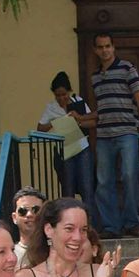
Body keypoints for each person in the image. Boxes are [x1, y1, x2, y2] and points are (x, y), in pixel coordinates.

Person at [90, 33, 139, 237]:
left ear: (114, 47)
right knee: (104, 182)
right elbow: (101, 108)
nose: (104, 50)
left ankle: (131, 222)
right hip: (103, 135)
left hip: (127, 131)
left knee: (129, 176)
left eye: (108, 46)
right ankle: (111, 226)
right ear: (95, 50)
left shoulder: (127, 68)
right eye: (100, 47)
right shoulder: (95, 77)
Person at [36, 71, 95, 203]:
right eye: (58, 95)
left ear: (69, 92)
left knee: (87, 187)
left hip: (82, 147)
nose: (62, 98)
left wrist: (78, 120)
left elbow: (92, 122)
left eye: (64, 94)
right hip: (64, 150)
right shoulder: (51, 107)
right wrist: (55, 122)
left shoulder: (78, 102)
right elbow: (40, 128)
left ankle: (89, 219)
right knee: (68, 188)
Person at [8, 189, 47, 261]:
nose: (29, 215)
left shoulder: (56, 253)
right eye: (23, 211)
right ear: (14, 218)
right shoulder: (8, 255)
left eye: (36, 210)